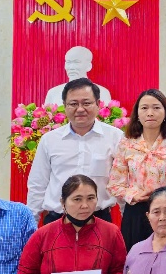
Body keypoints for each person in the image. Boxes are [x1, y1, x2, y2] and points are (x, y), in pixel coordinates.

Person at [27, 78, 124, 224]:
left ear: (98, 104)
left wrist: (127, 217)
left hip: (99, 220)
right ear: (65, 106)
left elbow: (122, 182)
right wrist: (31, 223)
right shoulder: (49, 140)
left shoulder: (115, 137)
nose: (80, 109)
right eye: (73, 104)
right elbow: (37, 184)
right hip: (57, 220)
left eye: (86, 103)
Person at [108, 88, 166, 248]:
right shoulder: (126, 142)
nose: (150, 113)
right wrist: (134, 195)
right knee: (135, 259)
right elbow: (115, 184)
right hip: (135, 213)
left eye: (156, 107)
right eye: (144, 108)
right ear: (137, 113)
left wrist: (165, 195)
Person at [43, 46, 112, 106]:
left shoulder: (102, 92)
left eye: (76, 62)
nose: (71, 67)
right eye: (68, 62)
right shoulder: (53, 93)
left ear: (89, 66)